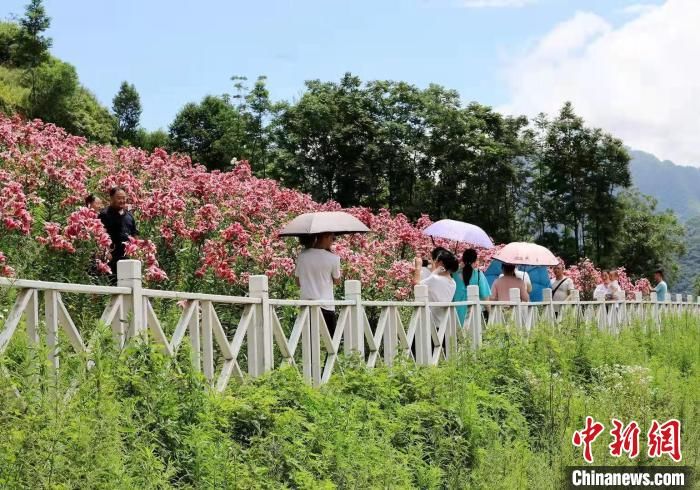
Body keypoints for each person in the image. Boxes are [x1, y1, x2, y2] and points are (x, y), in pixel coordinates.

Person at [295, 232, 341, 336]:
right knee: (332, 343)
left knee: (309, 343)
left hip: (307, 305)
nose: (333, 241)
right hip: (326, 306)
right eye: (333, 238)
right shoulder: (334, 258)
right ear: (326, 236)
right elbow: (337, 281)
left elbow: (298, 282)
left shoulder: (302, 256)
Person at [99, 187, 138, 282]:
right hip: (110, 258)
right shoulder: (104, 214)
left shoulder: (129, 216)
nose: (122, 201)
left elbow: (134, 235)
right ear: (111, 198)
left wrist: (136, 251)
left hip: (126, 258)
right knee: (111, 283)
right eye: (119, 198)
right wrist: (106, 251)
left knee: (127, 283)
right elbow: (99, 234)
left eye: (124, 198)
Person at [413, 250, 459, 328]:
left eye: (436, 260)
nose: (434, 262)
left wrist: (418, 267)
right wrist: (435, 271)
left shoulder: (435, 279)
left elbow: (416, 285)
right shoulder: (453, 282)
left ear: (440, 263)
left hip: (429, 325)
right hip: (442, 325)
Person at [452, 248, 490, 326]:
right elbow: (485, 298)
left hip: (455, 316)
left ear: (463, 259)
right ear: (475, 260)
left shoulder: (454, 274)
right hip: (473, 317)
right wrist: (491, 314)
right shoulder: (479, 274)